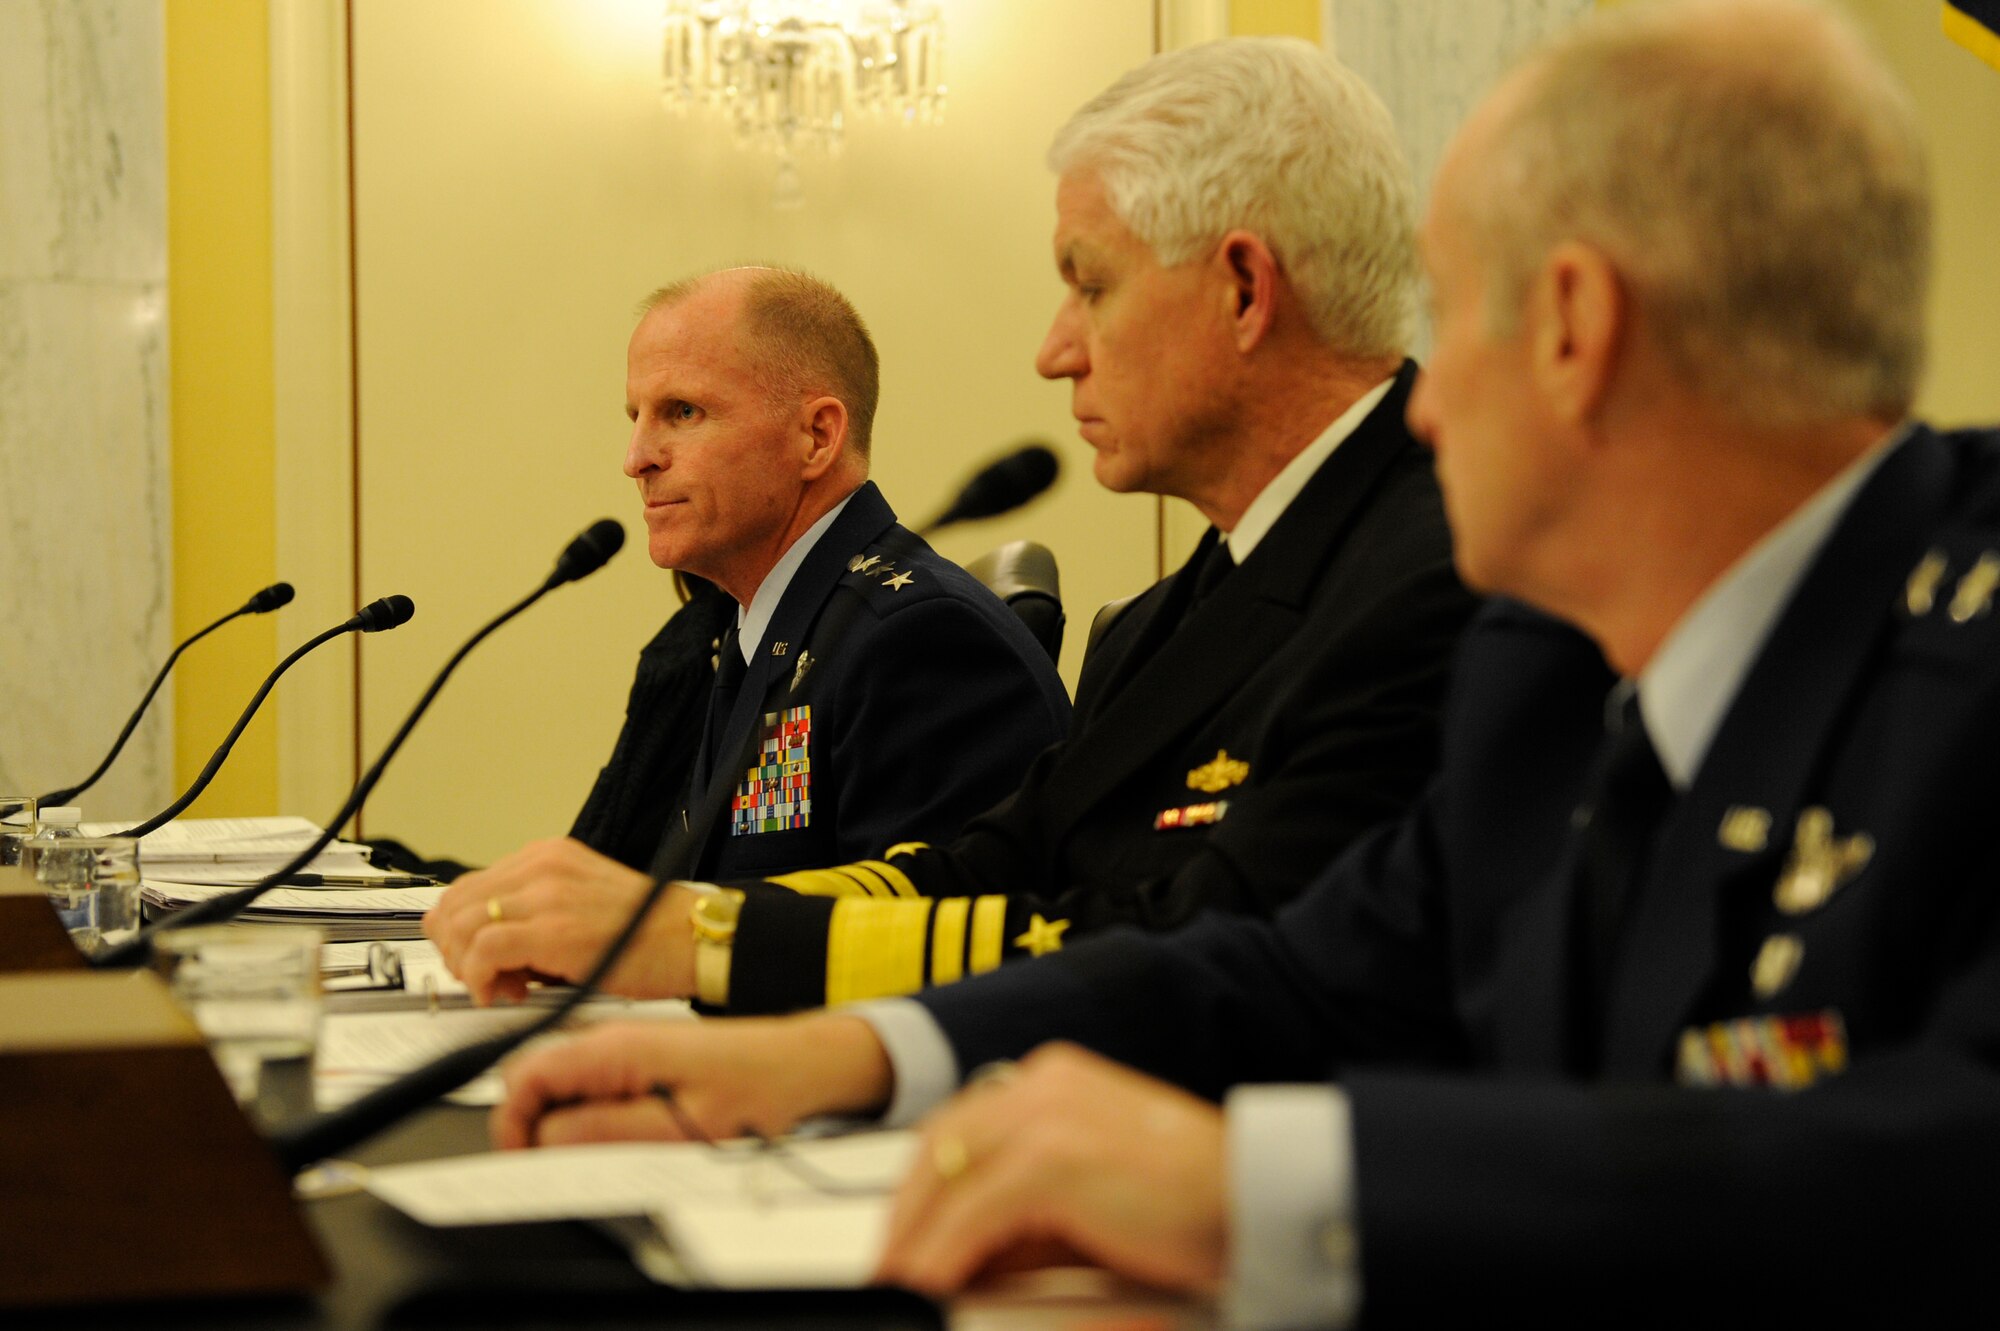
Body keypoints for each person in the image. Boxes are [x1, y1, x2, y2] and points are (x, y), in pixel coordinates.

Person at [490, 1, 2000, 1322]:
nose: (1419, 406)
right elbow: (1301, 969)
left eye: (1447, 312)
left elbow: (1946, 1157)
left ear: (1570, 328)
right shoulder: (1559, 675)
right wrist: (853, 1054)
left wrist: (1270, 1186)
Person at [427, 38, 1476, 1012]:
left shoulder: (1443, 575)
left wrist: (709, 943)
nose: (1054, 350)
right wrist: (681, 917)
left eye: (1090, 285)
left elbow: (1202, 951)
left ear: (1243, 288)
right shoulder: (1164, 618)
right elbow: (999, 865)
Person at [426, 268, 1071, 1001]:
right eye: (635, 415)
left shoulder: (921, 638)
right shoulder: (757, 628)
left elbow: (933, 974)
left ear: (816, 436)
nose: (636, 458)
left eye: (682, 412)